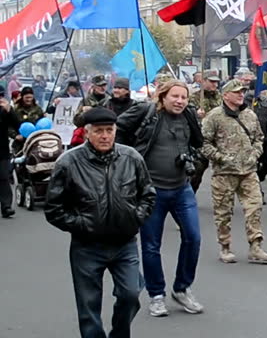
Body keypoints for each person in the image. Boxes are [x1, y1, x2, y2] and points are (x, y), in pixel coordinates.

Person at [45, 108, 157, 336]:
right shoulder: (68, 162)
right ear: (87, 133)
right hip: (87, 246)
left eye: (109, 130)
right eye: (98, 131)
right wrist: (81, 224)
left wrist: (136, 217)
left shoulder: (131, 157)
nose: (105, 136)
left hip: (124, 243)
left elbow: (148, 194)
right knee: (88, 306)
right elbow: (54, 208)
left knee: (131, 294)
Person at [116, 81, 205, 316]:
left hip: (181, 188)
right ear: (162, 96)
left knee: (193, 238)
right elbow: (118, 127)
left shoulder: (189, 115)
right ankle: (156, 295)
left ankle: (182, 289)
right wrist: (128, 157)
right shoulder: (146, 112)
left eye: (184, 97)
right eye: (175, 96)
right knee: (151, 245)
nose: (180, 101)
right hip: (151, 191)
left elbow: (198, 142)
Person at [201, 80, 267, 264]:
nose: (241, 94)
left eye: (242, 91)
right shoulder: (214, 116)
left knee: (254, 207)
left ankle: (255, 246)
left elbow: (259, 138)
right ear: (226, 95)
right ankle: (225, 247)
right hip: (224, 172)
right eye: (236, 92)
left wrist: (255, 153)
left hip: (248, 170)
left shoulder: (249, 115)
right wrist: (221, 158)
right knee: (223, 212)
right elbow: (204, 143)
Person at [188, 70, 221, 193]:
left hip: (219, 138)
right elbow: (187, 116)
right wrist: (196, 115)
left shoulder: (220, 97)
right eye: (211, 82)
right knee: (198, 169)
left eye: (216, 82)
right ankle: (190, 194)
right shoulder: (194, 97)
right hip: (202, 138)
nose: (215, 85)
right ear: (203, 81)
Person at [0, 88, 20, 218]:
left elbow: (18, 125)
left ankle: (6, 206)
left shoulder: (4, 110)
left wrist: (10, 111)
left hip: (1, 150)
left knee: (3, 178)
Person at [11, 86, 44, 154]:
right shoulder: (15, 110)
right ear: (22, 97)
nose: (29, 100)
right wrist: (15, 135)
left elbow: (42, 125)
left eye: (30, 97)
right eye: (26, 98)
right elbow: (9, 125)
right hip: (20, 143)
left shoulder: (38, 109)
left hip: (35, 143)